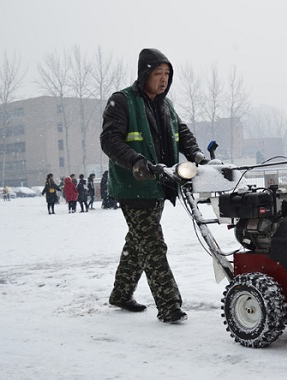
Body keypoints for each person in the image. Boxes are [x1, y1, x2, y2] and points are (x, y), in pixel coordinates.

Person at [100, 48, 208, 324]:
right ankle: (169, 305)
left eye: (167, 74)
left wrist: (196, 154)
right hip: (133, 186)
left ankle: (121, 294)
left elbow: (182, 133)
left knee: (138, 242)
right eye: (158, 73)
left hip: (160, 184)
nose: (163, 79)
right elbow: (110, 141)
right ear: (145, 74)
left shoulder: (165, 105)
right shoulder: (122, 101)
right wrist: (137, 162)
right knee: (152, 245)